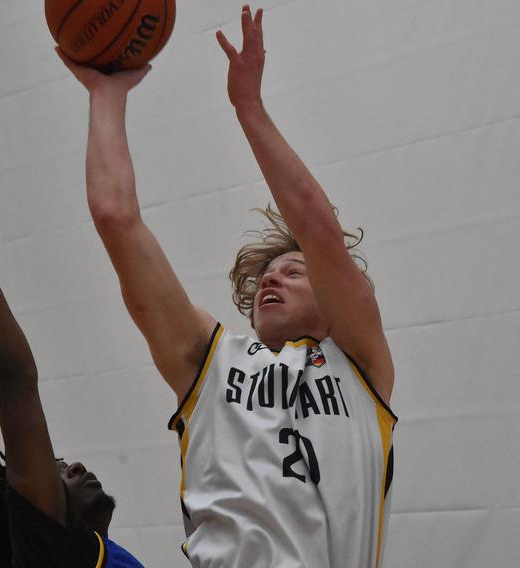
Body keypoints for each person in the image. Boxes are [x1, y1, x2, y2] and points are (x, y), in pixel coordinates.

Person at [57, 4, 397, 566]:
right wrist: (105, 96)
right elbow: (116, 217)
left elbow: (318, 228)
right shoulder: (209, 364)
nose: (272, 277)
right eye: (268, 272)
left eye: (294, 271)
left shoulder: (360, 364)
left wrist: (249, 107)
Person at [0, 148, 143, 568]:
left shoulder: (102, 553)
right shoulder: (56, 554)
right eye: (52, 473)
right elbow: (12, 380)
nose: (72, 467)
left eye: (57, 465)